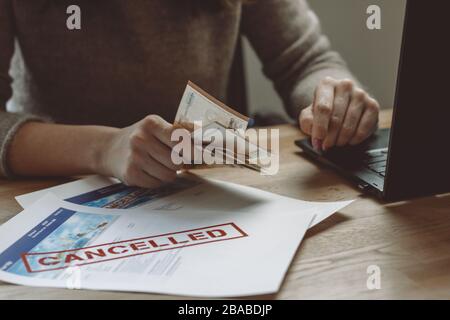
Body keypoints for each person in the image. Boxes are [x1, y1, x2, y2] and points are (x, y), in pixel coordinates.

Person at [0, 0, 379, 188]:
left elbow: (307, 60)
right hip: (53, 188)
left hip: (205, 193)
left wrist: (333, 101)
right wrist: (104, 149)